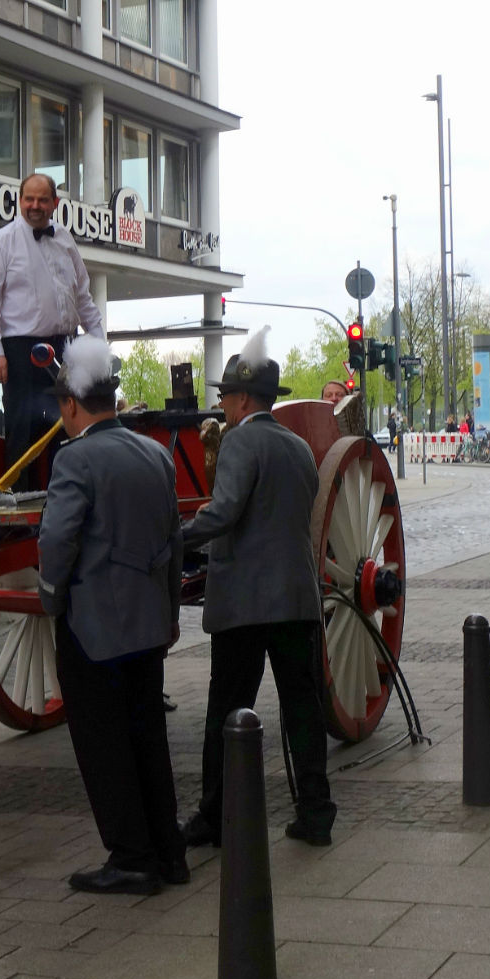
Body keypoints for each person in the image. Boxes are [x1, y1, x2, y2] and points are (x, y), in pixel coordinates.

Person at [37, 335, 186, 895]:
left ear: (71, 405)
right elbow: (173, 541)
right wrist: (169, 612)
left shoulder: (75, 458)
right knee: (148, 737)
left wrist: (51, 598)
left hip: (92, 626)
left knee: (103, 744)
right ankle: (168, 851)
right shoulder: (156, 454)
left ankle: (131, 856)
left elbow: (57, 541)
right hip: (149, 623)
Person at [180, 327, 337, 848]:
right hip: (296, 598)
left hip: (244, 602)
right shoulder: (297, 447)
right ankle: (315, 812)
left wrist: (176, 536)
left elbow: (223, 514)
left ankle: (216, 815)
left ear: (243, 399)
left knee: (225, 710)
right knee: (303, 709)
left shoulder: (239, 441)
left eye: (225, 396)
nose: (223, 404)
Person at [0, 172, 104, 484]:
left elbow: (82, 296)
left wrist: (100, 346)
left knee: (67, 427)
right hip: (20, 350)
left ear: (54, 203)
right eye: (29, 199)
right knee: (23, 430)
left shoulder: (65, 240)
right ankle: (22, 506)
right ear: (20, 201)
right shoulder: (0, 243)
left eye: (42, 199)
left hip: (66, 347)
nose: (35, 205)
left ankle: (64, 499)